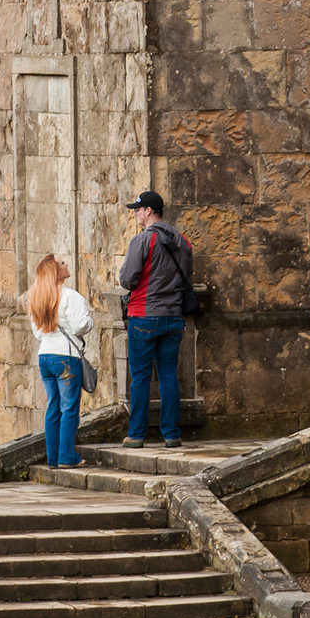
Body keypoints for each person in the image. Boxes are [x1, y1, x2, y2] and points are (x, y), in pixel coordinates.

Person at [118, 190, 192, 449]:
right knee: (169, 375)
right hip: (173, 316)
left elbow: (128, 279)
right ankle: (171, 434)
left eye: (137, 209)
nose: (136, 214)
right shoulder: (183, 241)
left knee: (140, 376)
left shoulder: (142, 241)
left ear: (148, 211)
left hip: (144, 316)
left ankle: (137, 434)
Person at [21, 253, 93, 468]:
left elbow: (38, 333)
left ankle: (53, 457)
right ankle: (67, 457)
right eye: (62, 263)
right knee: (69, 408)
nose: (66, 264)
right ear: (55, 271)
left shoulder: (36, 298)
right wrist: (89, 320)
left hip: (45, 356)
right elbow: (81, 326)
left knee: (53, 407)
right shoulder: (70, 296)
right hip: (66, 358)